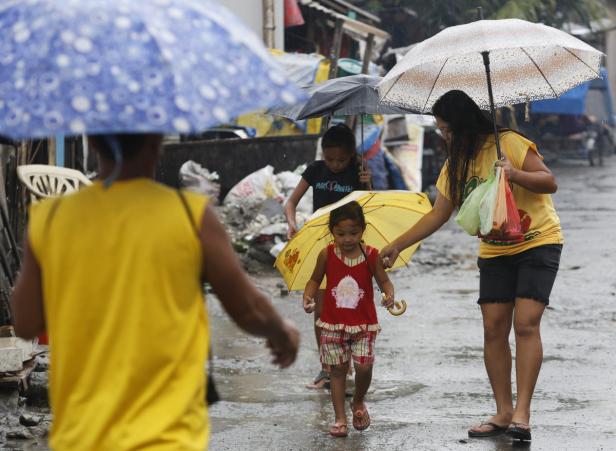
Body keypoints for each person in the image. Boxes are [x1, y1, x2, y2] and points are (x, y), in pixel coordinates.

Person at [10, 133, 300, 451]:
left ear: (92, 141)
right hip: (167, 438)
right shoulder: (190, 216)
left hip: (82, 438)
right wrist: (281, 331)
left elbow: (25, 323)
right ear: (158, 140)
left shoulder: (51, 218)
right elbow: (248, 309)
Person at [381, 90, 563, 442]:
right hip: (495, 250)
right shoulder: (456, 163)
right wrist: (398, 244)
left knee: (525, 324)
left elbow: (549, 182)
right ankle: (503, 411)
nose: (443, 135)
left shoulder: (510, 143)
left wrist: (514, 174)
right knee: (494, 328)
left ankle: (522, 414)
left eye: (446, 128)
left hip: (538, 241)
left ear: (462, 125)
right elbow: (439, 212)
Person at [285, 123, 371, 389]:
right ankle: (327, 368)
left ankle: (345, 366)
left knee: (347, 306)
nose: (334, 164)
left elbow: (369, 210)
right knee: (322, 311)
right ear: (322, 154)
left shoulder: (359, 173)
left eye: (341, 160)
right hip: (321, 245)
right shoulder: (314, 170)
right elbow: (291, 202)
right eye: (329, 158)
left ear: (351, 156)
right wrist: (291, 222)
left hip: (350, 248)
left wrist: (368, 185)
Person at [303, 201, 394, 437]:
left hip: (364, 325)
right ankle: (340, 418)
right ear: (332, 231)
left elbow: (384, 281)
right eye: (340, 233)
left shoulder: (371, 255)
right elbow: (314, 280)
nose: (347, 239)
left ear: (363, 230)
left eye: (353, 233)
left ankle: (358, 401)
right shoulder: (327, 254)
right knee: (337, 371)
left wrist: (389, 295)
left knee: (364, 367)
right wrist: (308, 296)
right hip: (332, 324)